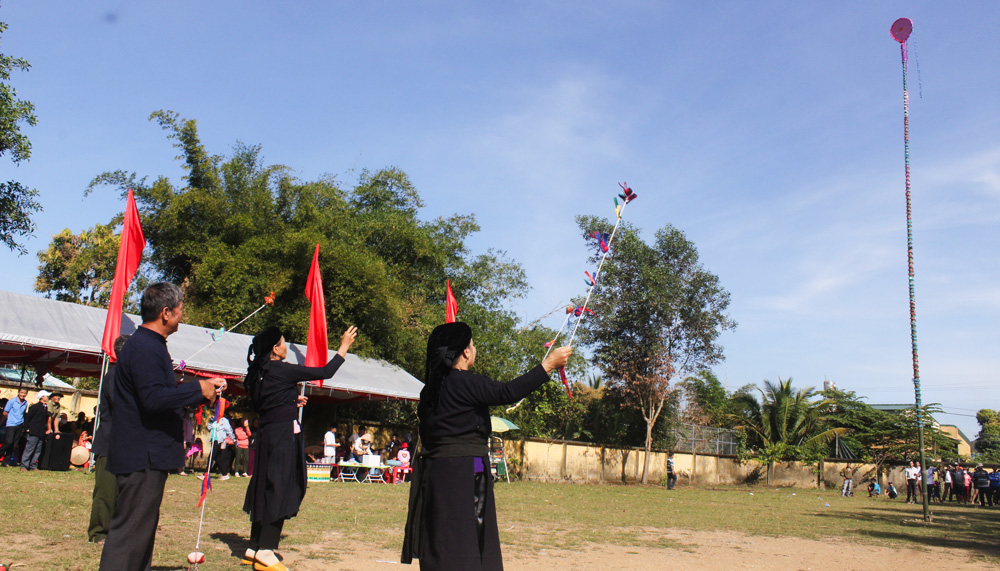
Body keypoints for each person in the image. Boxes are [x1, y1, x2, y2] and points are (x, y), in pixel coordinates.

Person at [401, 321, 572, 570]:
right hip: (465, 474)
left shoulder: (430, 391)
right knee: (468, 537)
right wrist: (548, 365)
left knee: (441, 537)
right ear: (465, 352)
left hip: (435, 475)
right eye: (472, 343)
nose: (474, 348)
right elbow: (508, 392)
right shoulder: (465, 382)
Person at [98, 283, 224, 571]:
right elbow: (153, 398)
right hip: (142, 454)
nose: (182, 315)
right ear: (166, 313)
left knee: (139, 534)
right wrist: (197, 390)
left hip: (146, 454)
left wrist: (198, 390)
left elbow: (157, 393)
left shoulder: (149, 345)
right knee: (129, 535)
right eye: (180, 310)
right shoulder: (144, 347)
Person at [241, 325, 357, 571]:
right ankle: (265, 550)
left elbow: (268, 402)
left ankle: (254, 546)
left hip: (266, 434)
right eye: (283, 342)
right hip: (283, 435)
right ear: (275, 348)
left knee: (264, 483)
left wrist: (291, 400)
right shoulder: (282, 370)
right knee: (281, 485)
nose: (286, 346)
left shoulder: (256, 374)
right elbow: (325, 371)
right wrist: (344, 347)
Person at [88, 334, 128, 544]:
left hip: (122, 444)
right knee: (106, 491)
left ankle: (113, 530)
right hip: (109, 443)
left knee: (120, 492)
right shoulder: (115, 376)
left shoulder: (124, 375)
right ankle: (98, 532)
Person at [21, 390, 51, 471]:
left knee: (38, 450)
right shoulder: (34, 407)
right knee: (29, 449)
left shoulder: (45, 408)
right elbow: (28, 418)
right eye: (46, 396)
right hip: (33, 431)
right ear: (42, 397)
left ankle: (33, 465)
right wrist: (26, 428)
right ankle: (24, 465)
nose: (48, 397)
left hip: (41, 432)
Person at [1, 387, 28, 466]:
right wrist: (10, 420)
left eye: (24, 393)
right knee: (9, 441)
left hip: (19, 425)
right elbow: (5, 412)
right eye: (21, 392)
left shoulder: (25, 403)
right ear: (18, 393)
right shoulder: (12, 401)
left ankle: (6, 461)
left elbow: (23, 414)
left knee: (14, 444)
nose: (23, 394)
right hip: (11, 424)